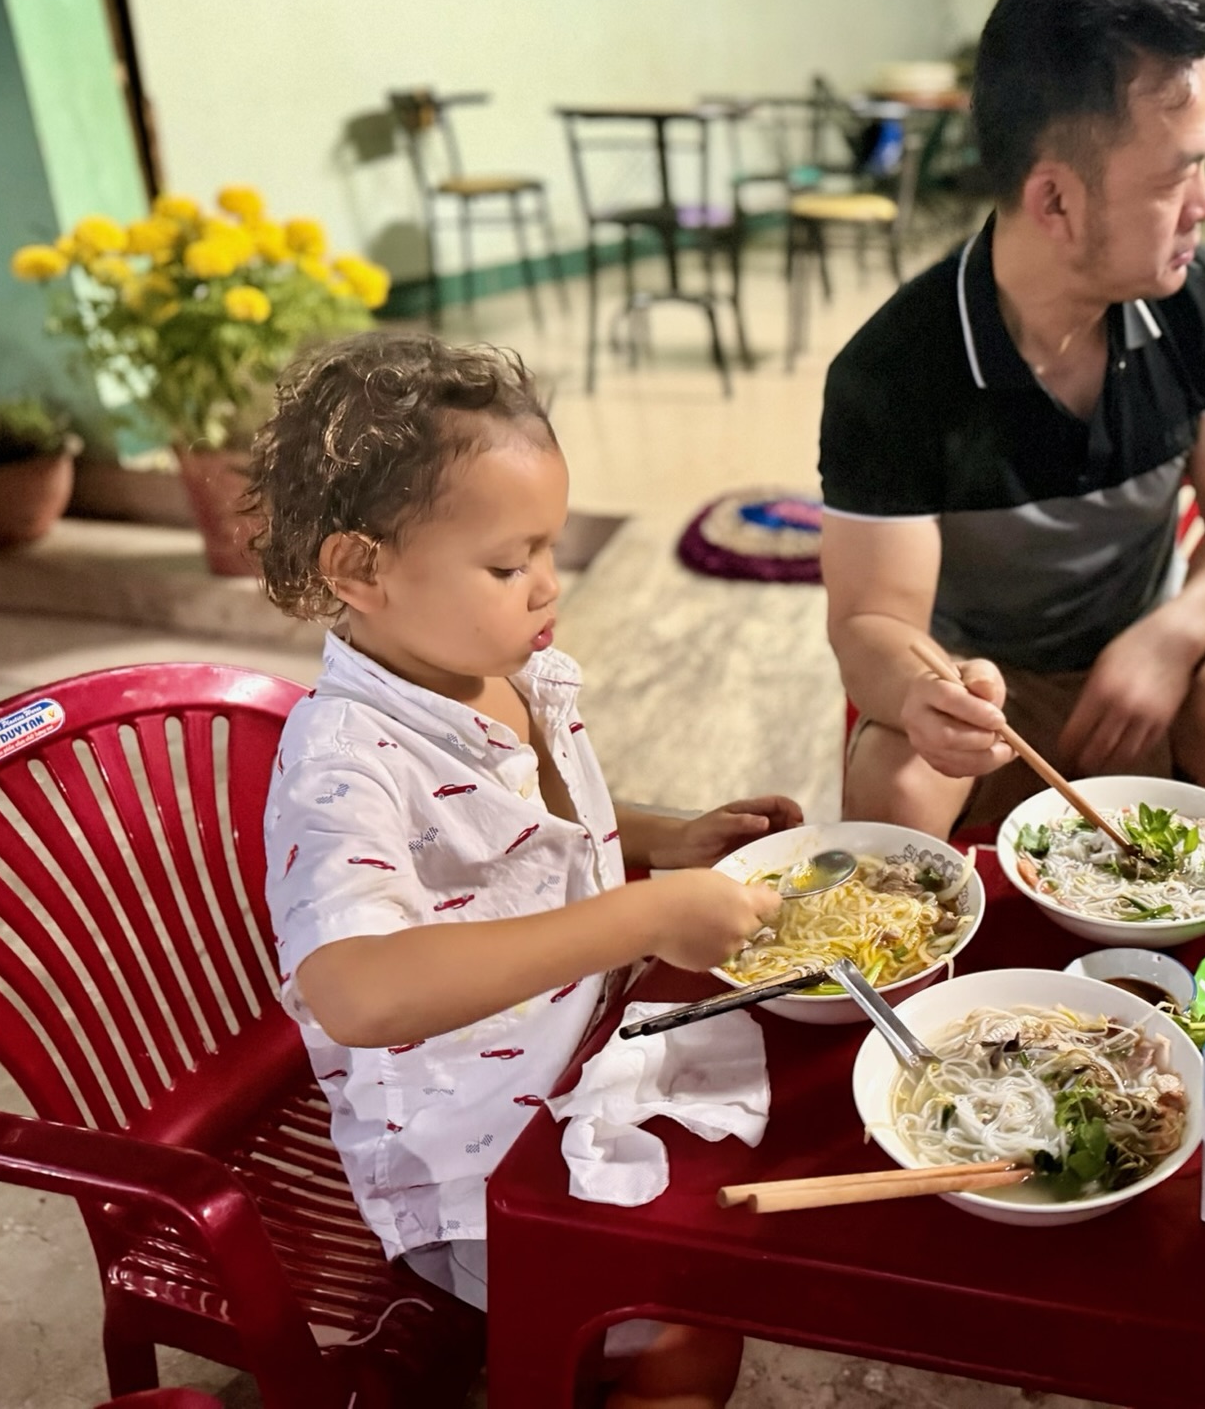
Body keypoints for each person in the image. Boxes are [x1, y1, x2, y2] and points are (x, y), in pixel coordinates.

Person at [250, 333, 799, 1409]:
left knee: (771, 1190)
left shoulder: (501, 670)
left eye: (549, 548)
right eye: (509, 564)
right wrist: (640, 918)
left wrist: (660, 840)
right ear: (360, 571)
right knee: (683, 1330)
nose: (548, 585)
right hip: (468, 1156)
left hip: (580, 1061)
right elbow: (356, 988)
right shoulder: (341, 760)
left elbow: (524, 835)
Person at [819, 0, 1205, 849]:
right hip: (986, 693)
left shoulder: (1200, 299)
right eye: (1178, 173)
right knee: (895, 781)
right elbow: (871, 621)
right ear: (1054, 202)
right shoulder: (894, 371)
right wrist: (927, 690)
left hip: (1148, 651)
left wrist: (1173, 635)